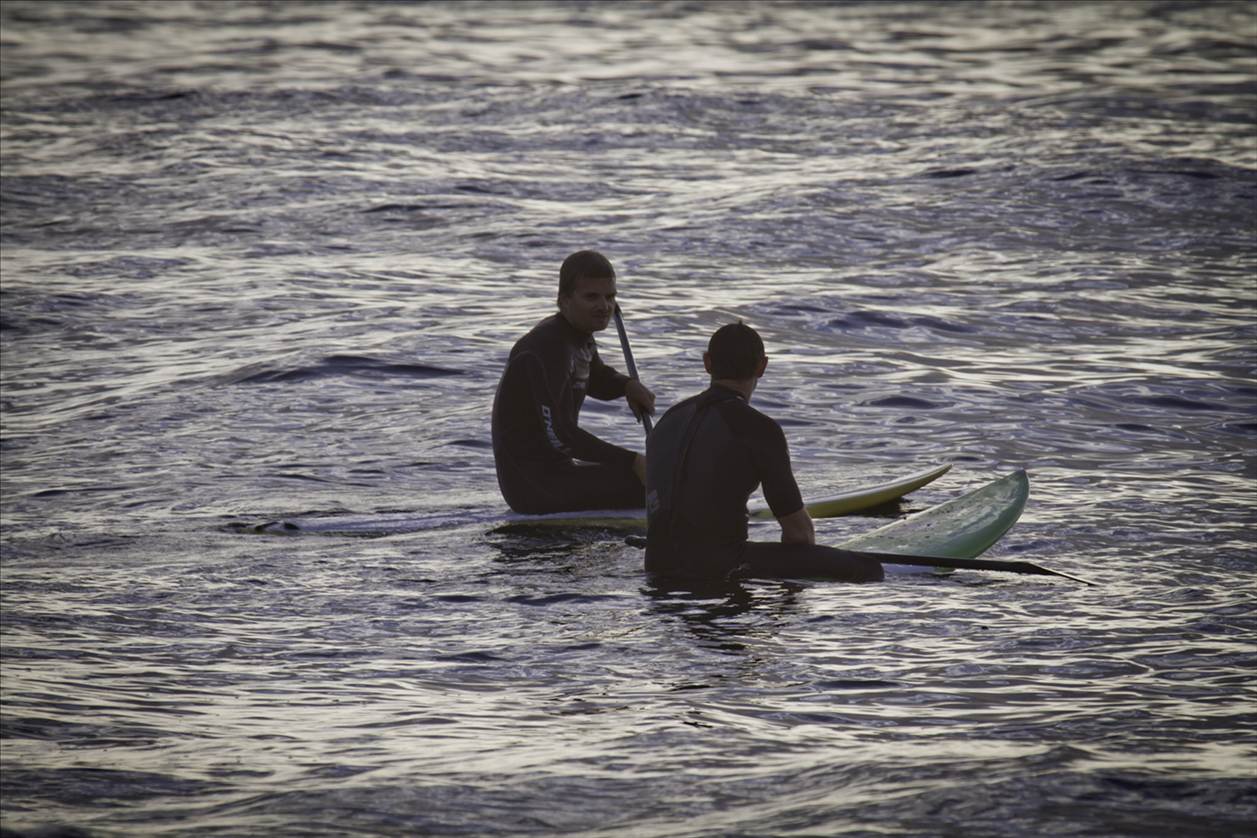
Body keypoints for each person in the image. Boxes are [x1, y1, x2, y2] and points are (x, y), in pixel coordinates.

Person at [644, 322, 883, 583]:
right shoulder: (758, 428)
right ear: (762, 366)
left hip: (657, 562)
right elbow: (798, 534)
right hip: (719, 566)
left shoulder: (668, 420)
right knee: (868, 569)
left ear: (707, 363)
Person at [492, 250, 656, 514]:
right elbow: (561, 435)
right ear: (564, 300)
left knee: (660, 474)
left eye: (610, 297)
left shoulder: (577, 335)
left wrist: (627, 386)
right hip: (533, 487)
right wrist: (632, 461)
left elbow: (595, 377)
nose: (604, 306)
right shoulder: (547, 346)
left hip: (558, 472)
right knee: (661, 482)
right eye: (591, 297)